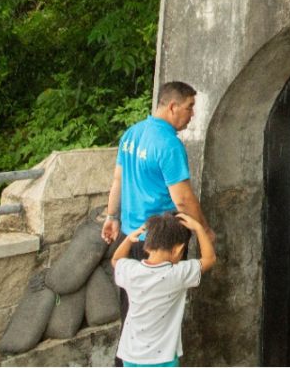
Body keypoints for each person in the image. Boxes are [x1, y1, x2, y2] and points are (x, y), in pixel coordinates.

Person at [100, 81, 214, 368]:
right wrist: (204, 228)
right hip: (162, 240)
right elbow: (183, 199)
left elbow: (118, 180)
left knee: (132, 314)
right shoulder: (168, 144)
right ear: (172, 106)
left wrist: (112, 218)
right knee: (163, 315)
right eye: (189, 107)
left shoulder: (131, 134)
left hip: (131, 236)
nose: (192, 114)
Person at [112, 211, 216, 368]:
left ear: (147, 246)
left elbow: (116, 260)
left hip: (130, 355)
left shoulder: (132, 271)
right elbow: (209, 259)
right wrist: (199, 228)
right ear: (178, 249)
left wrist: (127, 240)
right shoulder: (177, 275)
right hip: (161, 358)